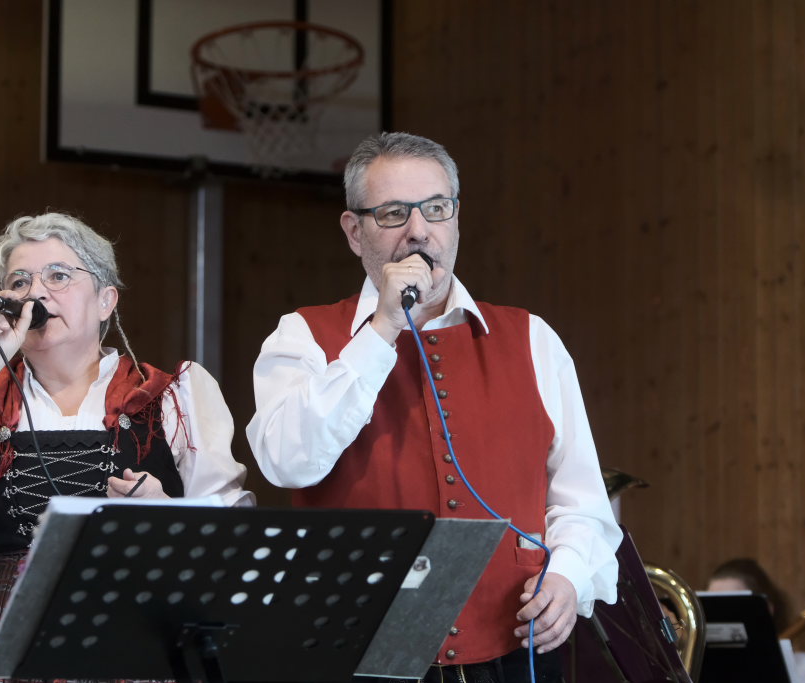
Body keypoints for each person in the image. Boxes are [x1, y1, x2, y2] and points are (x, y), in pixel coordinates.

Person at [246, 132, 622, 682]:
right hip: (356, 657)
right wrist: (381, 330)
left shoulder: (532, 338)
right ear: (354, 232)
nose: (419, 231)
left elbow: (582, 502)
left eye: (436, 208)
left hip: (513, 653)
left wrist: (568, 577)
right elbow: (287, 462)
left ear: (456, 218)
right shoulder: (302, 336)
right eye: (393, 213)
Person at [0, 212, 254, 683]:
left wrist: (165, 514)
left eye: (58, 276)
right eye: (19, 282)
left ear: (106, 301)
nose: (36, 294)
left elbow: (230, 544)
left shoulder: (173, 396)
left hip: (131, 629)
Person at [707, 558, 805, 683]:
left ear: (765, 608)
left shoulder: (804, 667)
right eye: (713, 605)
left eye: (732, 605)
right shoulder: (697, 663)